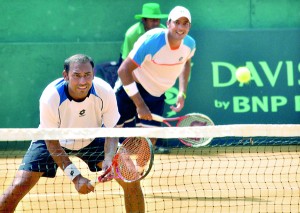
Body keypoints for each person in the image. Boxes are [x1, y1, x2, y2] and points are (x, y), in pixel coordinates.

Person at [0, 54, 145, 213]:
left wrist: (109, 158)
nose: (83, 81)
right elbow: (52, 143)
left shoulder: (105, 91)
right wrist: (75, 177)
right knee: (19, 186)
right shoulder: (51, 97)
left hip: (93, 138)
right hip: (54, 141)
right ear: (65, 75)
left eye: (87, 75)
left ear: (93, 73)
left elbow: (111, 131)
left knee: (131, 178)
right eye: (76, 75)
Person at [115, 6, 195, 152]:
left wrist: (182, 92)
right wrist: (140, 104)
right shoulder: (152, 41)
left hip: (156, 94)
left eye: (185, 23)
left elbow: (186, 62)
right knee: (117, 135)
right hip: (132, 87)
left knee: (150, 141)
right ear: (169, 23)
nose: (181, 27)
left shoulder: (190, 44)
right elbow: (123, 70)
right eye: (177, 22)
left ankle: (139, 170)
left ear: (189, 26)